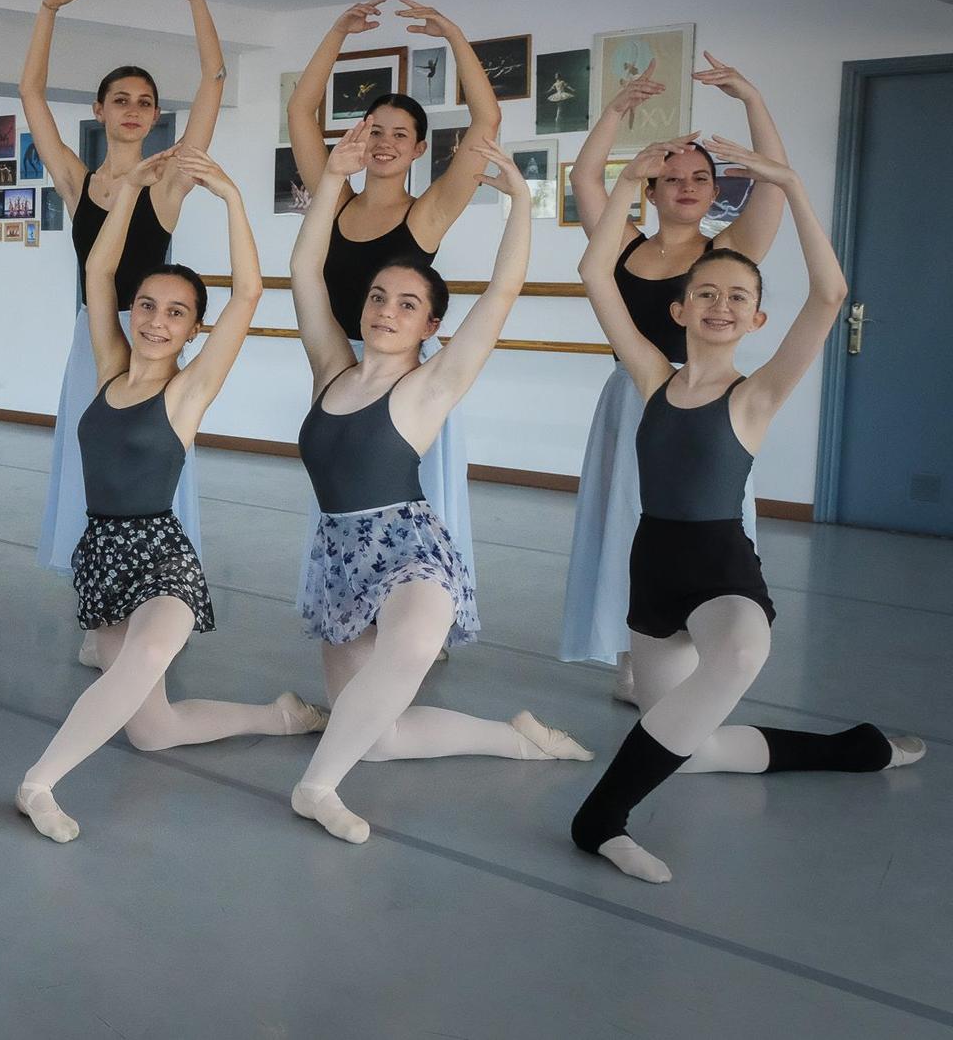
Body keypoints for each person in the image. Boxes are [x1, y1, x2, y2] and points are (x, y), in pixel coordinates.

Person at [570, 136, 924, 884]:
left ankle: (599, 820)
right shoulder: (649, 376)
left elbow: (829, 297)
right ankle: (855, 749)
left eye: (739, 297)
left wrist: (793, 186)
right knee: (689, 749)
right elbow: (594, 272)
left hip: (720, 568)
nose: (721, 305)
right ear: (680, 307)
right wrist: (627, 182)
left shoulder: (754, 396)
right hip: (652, 576)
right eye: (706, 293)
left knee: (741, 651)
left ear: (758, 320)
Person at [287, 121, 589, 846]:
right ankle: (518, 739)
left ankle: (315, 787)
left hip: (409, 548)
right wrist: (333, 178)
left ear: (430, 323)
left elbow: (506, 289)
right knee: (382, 736)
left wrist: (522, 202)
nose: (386, 311)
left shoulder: (431, 385)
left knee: (416, 645)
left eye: (406, 304)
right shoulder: (332, 367)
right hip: (338, 557)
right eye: (379, 297)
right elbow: (305, 272)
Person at [15, 145, 327, 844]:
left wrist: (234, 202)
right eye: (148, 306)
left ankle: (39, 781)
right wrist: (127, 190)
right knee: (153, 731)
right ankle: (279, 716)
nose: (156, 321)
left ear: (193, 329)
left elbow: (248, 295)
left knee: (149, 656)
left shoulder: (187, 390)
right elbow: (98, 266)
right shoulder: (106, 367)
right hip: (101, 554)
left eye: (176, 313)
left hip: (161, 558)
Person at [559, 55, 786, 698]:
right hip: (629, 399)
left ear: (715, 192)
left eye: (699, 178)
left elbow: (773, 187)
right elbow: (584, 175)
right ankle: (635, 651)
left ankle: (695, 644)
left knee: (698, 522)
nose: (685, 186)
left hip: (703, 407)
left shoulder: (727, 252)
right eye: (671, 176)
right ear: (652, 189)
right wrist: (617, 111)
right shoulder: (623, 242)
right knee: (625, 521)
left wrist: (751, 98)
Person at [19, 0, 224, 637]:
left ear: (155, 115)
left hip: (153, 348)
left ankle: (157, 596)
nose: (133, 111)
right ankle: (100, 609)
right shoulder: (79, 183)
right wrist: (47, 11)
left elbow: (216, 79)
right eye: (121, 100)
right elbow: (30, 95)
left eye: (144, 103)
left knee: (150, 473)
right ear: (102, 110)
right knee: (91, 471)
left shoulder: (166, 184)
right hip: (93, 341)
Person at [284, 0, 502, 591]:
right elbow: (301, 111)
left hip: (402, 378)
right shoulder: (337, 195)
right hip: (336, 366)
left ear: (417, 149)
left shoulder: (427, 213)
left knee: (413, 491)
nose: (384, 143)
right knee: (339, 488)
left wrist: (456, 36)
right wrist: (335, 31)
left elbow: (485, 124)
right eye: (374, 130)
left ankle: (426, 603)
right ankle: (346, 594)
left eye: (399, 135)